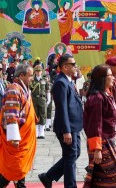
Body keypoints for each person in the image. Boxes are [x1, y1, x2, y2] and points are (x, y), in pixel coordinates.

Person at [38, 54, 83, 188]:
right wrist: (66, 131)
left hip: (74, 126)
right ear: (64, 67)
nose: (76, 67)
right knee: (70, 157)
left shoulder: (68, 80)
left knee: (75, 154)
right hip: (67, 127)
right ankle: (70, 186)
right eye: (73, 64)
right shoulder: (60, 83)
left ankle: (48, 176)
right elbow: (62, 108)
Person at [82, 64, 116, 187]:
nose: (113, 78)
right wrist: (97, 149)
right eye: (110, 75)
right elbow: (95, 124)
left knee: (99, 179)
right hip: (101, 143)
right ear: (102, 78)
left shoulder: (107, 94)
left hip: (109, 140)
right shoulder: (97, 98)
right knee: (114, 178)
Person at [0, 64, 35, 188]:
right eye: (30, 75)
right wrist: (14, 137)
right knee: (14, 167)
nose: (32, 78)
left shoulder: (25, 89)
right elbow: (11, 113)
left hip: (23, 135)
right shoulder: (14, 89)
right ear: (21, 75)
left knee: (19, 166)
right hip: (16, 136)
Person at [30, 65, 51, 139]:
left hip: (42, 99)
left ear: (42, 72)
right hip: (34, 99)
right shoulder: (32, 80)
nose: (38, 72)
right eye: (37, 71)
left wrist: (49, 99)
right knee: (35, 115)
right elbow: (29, 91)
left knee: (42, 114)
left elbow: (48, 90)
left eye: (39, 71)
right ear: (34, 72)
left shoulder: (44, 80)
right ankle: (35, 132)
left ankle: (41, 133)